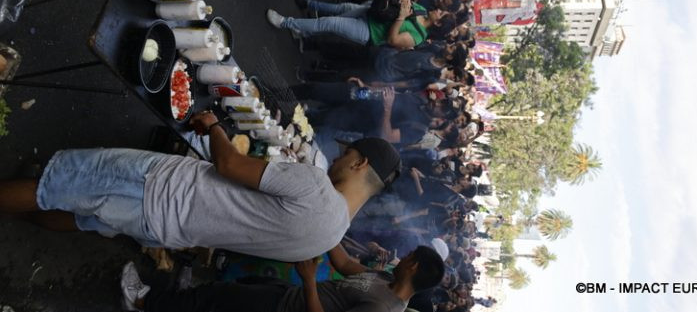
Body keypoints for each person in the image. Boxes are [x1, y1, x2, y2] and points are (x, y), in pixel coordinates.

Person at [0, 113, 401, 262]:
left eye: (344, 155)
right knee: (82, 218)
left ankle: (23, 195)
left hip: (157, 186)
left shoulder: (317, 187)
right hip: (165, 230)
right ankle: (23, 213)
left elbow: (227, 163)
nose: (335, 159)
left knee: (54, 185)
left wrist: (213, 127)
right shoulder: (329, 240)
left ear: (359, 162)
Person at [120, 244, 445, 312]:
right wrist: (328, 226)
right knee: (222, 292)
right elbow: (345, 264)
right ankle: (164, 302)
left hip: (284, 307)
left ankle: (142, 299)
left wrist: (307, 279)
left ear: (414, 268)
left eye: (409, 257)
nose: (402, 258)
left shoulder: (383, 309)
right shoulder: (383, 277)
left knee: (211, 298)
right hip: (286, 294)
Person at [267, 0, 456, 49]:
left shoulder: (418, 37)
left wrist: (401, 17)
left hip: (368, 32)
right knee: (337, 13)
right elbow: (402, 0)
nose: (438, 10)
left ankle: (285, 22)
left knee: (329, 23)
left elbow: (392, 41)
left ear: (438, 24)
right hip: (370, 12)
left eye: (441, 14)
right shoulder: (422, 9)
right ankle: (301, 30)